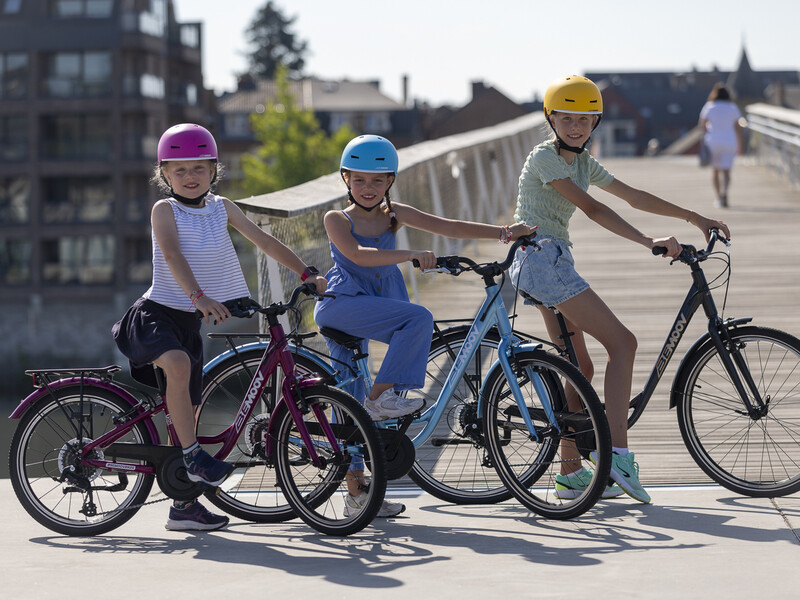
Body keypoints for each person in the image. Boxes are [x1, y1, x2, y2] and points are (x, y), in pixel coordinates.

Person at [509, 75, 731, 504]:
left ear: (595, 122)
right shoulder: (544, 159)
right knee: (623, 343)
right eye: (567, 118)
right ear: (550, 120)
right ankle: (617, 457)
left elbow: (632, 195)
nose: (576, 127)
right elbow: (592, 207)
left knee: (581, 368)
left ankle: (570, 472)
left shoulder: (583, 160)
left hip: (549, 261)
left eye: (585, 120)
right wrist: (648, 241)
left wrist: (693, 217)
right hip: (540, 260)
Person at [112, 123, 327, 531]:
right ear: (165, 175)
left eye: (199, 168)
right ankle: (194, 457)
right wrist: (200, 297)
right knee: (177, 365)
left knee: (189, 412)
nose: (190, 177)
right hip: (157, 316)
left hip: (189, 322)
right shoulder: (165, 210)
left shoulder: (222, 207)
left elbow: (262, 240)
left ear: (214, 170)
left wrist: (305, 272)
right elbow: (173, 255)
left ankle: (183, 508)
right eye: (179, 170)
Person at [314, 134, 536, 517]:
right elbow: (357, 255)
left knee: (351, 405)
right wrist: (412, 254)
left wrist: (502, 233)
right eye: (360, 179)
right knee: (415, 321)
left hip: (380, 300)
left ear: (391, 181)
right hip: (344, 305)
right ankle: (378, 400)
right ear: (345, 178)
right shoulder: (337, 218)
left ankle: (358, 496)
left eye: (379, 180)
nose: (369, 188)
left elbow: (447, 225)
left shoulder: (394, 213)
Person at [699, 83, 744, 208]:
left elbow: (702, 125)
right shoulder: (732, 107)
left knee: (715, 171)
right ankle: (725, 192)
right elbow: (738, 128)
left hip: (713, 140)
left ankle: (718, 197)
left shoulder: (709, 106)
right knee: (726, 171)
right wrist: (740, 145)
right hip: (729, 140)